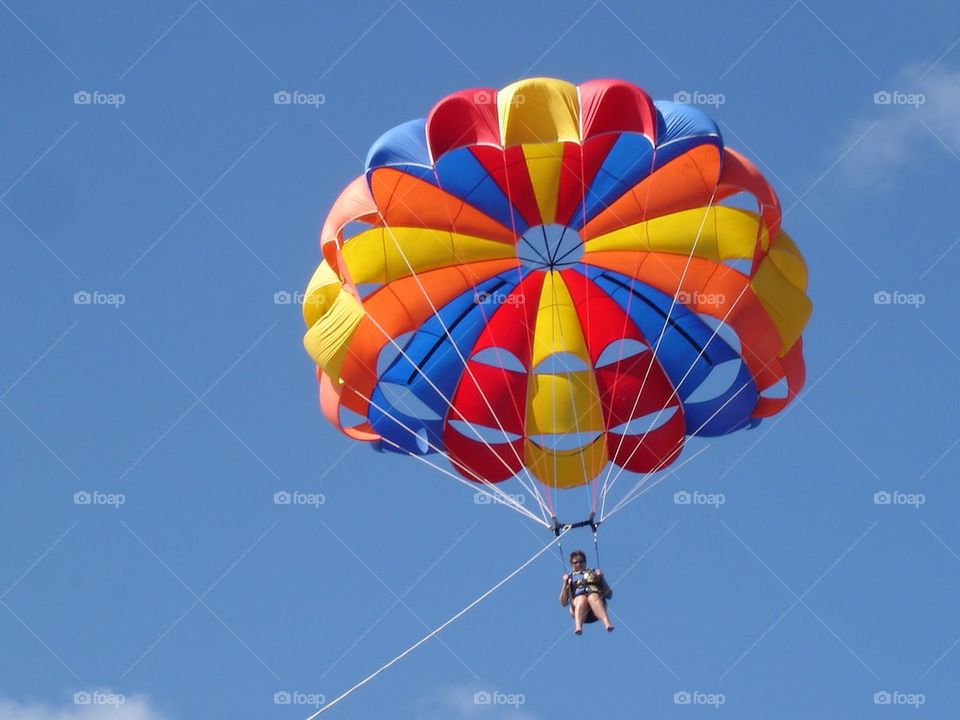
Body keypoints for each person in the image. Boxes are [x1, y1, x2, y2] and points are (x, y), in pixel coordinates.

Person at [559, 549, 614, 635]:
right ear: (572, 564)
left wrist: (601, 579)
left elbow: (609, 595)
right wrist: (565, 583)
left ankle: (607, 623)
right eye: (575, 563)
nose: (579, 564)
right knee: (581, 598)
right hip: (578, 605)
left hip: (595, 605)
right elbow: (563, 602)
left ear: (585, 562)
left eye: (581, 562)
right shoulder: (570, 578)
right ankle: (578, 626)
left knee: (593, 596)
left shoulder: (594, 573)